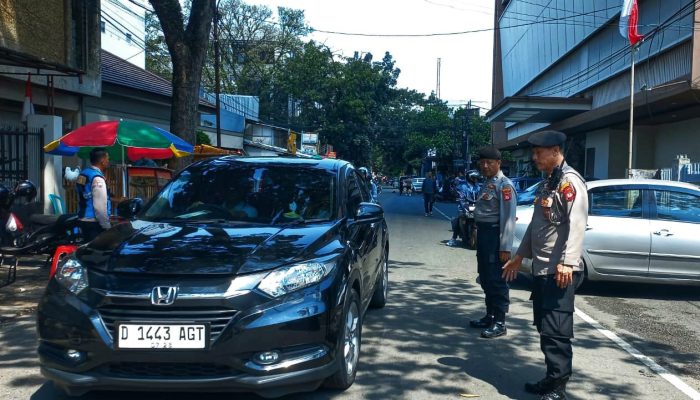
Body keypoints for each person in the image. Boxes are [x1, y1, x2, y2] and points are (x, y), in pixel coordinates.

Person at [502, 130, 588, 400]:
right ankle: (551, 378)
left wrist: (568, 262)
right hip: (542, 269)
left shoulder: (570, 183)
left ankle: (558, 387)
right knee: (545, 327)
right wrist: (519, 256)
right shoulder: (549, 182)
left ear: (555, 151)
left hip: (558, 271)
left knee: (557, 331)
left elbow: (577, 224)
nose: (534, 157)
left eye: (539, 152)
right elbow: (537, 226)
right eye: (534, 152)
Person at [469, 147, 516, 339]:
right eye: (482, 163)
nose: (485, 166)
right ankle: (490, 315)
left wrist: (505, 247)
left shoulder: (504, 185)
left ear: (499, 163)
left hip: (496, 236)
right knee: (486, 276)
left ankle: (500, 321)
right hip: (485, 236)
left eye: (489, 163)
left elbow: (508, 218)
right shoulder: (488, 183)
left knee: (497, 279)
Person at [76, 148, 112, 241]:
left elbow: (84, 195)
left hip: (83, 218)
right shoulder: (97, 178)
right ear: (102, 161)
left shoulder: (83, 174)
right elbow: (99, 207)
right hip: (94, 223)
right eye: (107, 159)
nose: (108, 161)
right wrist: (106, 226)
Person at [447, 170, 481, 247]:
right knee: (457, 219)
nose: (476, 179)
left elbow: (481, 195)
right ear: (470, 178)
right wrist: (462, 203)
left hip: (476, 206)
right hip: (464, 206)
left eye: (476, 178)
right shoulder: (462, 186)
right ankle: (453, 239)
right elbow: (460, 196)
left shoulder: (478, 187)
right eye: (474, 178)